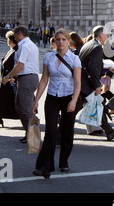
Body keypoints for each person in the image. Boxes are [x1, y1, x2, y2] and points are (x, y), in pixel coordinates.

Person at [32, 29, 81, 179]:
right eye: (58, 39)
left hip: (68, 97)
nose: (60, 42)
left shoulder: (74, 59)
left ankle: (64, 161)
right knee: (51, 132)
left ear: (68, 41)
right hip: (52, 96)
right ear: (54, 41)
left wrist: (74, 101)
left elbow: (78, 83)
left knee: (67, 131)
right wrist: (36, 100)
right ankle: (46, 167)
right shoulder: (48, 57)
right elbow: (44, 80)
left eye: (63, 39)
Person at [78, 25, 114, 140]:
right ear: (101, 35)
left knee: (100, 105)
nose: (108, 37)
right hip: (87, 84)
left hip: (83, 81)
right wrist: (97, 85)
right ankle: (58, 132)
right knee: (75, 109)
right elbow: (93, 68)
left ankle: (109, 131)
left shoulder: (88, 44)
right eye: (107, 34)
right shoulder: (97, 47)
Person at [2, 26, 39, 143]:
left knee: (26, 109)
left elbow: (20, 64)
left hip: (27, 78)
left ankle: (34, 137)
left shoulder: (25, 46)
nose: (14, 38)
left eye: (15, 35)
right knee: (19, 106)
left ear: (19, 35)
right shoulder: (28, 44)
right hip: (25, 78)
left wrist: (9, 76)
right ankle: (30, 133)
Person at [0, 31, 20, 128]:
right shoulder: (11, 50)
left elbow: (17, 65)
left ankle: (27, 120)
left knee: (14, 102)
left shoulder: (16, 50)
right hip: (5, 78)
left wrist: (12, 77)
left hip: (10, 79)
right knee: (0, 100)